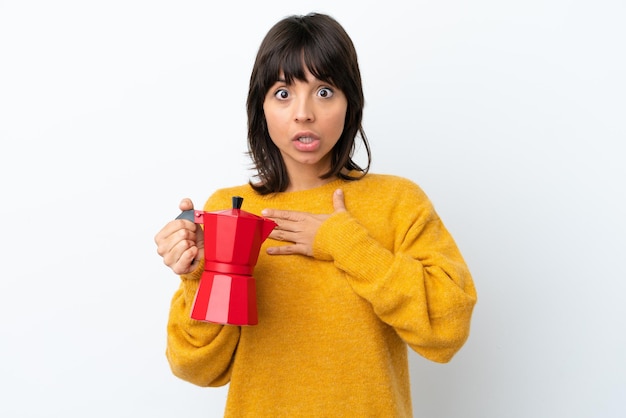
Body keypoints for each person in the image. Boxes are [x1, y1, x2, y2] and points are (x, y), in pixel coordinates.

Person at [154, 12, 477, 417]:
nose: (303, 113)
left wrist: (345, 243)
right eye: (283, 93)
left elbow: (447, 331)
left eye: (324, 92)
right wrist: (200, 274)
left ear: (350, 103)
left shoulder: (399, 202)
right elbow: (196, 368)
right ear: (261, 106)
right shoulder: (227, 210)